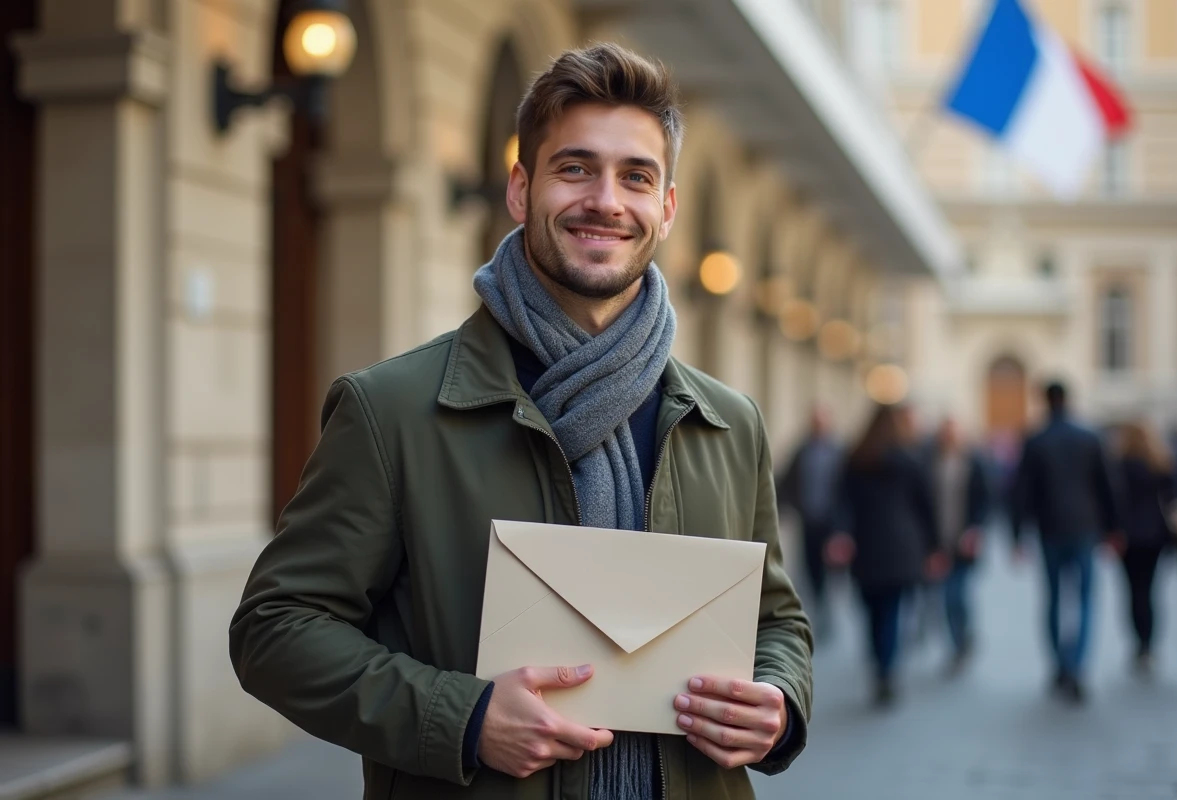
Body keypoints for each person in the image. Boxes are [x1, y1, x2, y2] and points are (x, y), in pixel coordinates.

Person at [228, 43, 813, 800]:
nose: (605, 199)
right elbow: (274, 629)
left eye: (635, 176)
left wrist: (778, 701)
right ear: (520, 188)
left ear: (666, 208)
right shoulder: (391, 410)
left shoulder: (728, 423)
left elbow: (777, 621)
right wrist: (463, 719)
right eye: (574, 168)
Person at [826, 404, 944, 707]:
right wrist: (935, 547)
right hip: (902, 547)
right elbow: (927, 506)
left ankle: (879, 662)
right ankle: (886, 670)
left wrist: (840, 534)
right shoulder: (910, 459)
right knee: (892, 611)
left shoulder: (856, 459)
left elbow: (841, 502)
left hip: (866, 547)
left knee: (871, 611)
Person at [1010, 381, 1119, 704]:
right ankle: (1077, 665)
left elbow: (1021, 492)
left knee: (1055, 598)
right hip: (1084, 527)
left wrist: (1017, 535)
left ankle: (1061, 664)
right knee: (1084, 599)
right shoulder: (1089, 437)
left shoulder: (1035, 439)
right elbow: (1107, 486)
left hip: (1050, 529)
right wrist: (1114, 528)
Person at [1113, 422, 1177, 674]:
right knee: (1150, 590)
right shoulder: (1160, 464)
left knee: (1134, 591)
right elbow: (1175, 500)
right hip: (1155, 536)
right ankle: (1148, 644)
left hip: (1128, 537)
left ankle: (1140, 642)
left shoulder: (1120, 465)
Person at [926, 417, 990, 672]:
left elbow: (985, 500)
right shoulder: (930, 463)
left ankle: (962, 639)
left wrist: (975, 529)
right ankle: (958, 642)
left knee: (958, 594)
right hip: (939, 543)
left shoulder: (973, 463)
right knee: (946, 596)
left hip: (964, 543)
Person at [776, 407, 843, 634]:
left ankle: (827, 611)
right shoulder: (802, 451)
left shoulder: (838, 452)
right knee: (810, 566)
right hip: (808, 519)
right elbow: (785, 480)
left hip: (831, 522)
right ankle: (817, 604)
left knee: (830, 568)